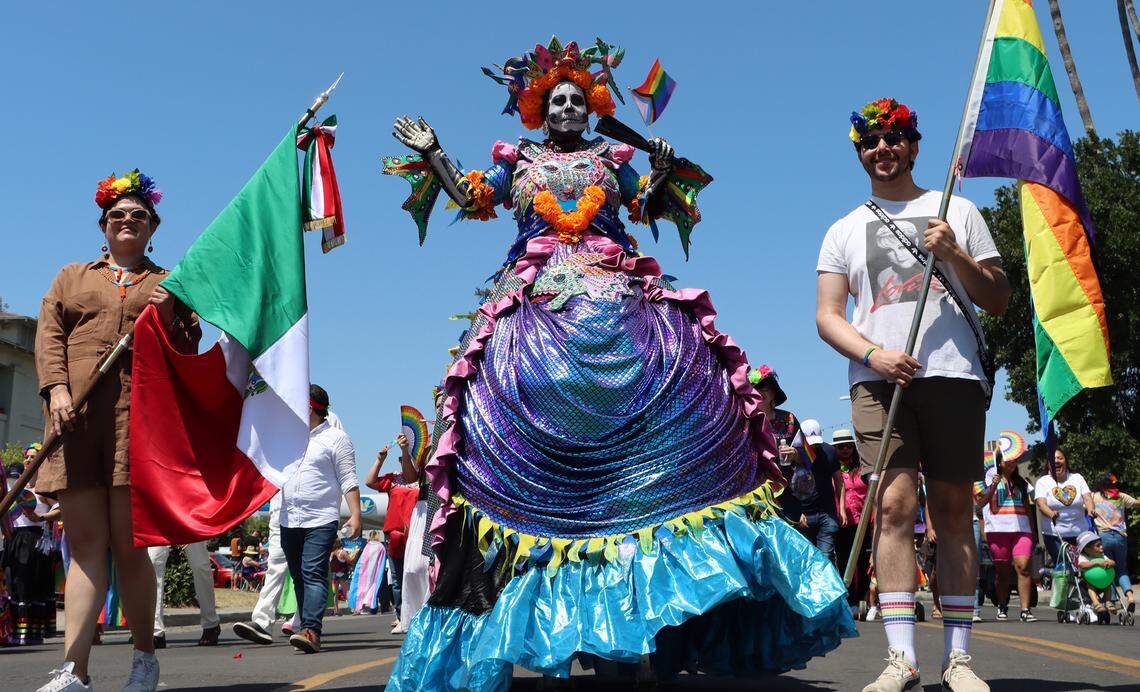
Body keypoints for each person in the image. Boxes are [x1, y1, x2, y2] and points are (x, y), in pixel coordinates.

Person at [382, 37, 854, 690]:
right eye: (559, 99)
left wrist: (658, 170)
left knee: (694, 377)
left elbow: (647, 205)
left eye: (579, 98)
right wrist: (434, 150)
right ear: (539, 110)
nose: (570, 106)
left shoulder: (612, 157)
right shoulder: (516, 159)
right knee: (481, 403)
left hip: (621, 290)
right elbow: (468, 197)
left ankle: (649, 593)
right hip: (533, 296)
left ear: (590, 107)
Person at [816, 98, 1010, 692]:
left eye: (894, 138)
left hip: (953, 375)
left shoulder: (959, 211)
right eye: (871, 141)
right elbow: (828, 316)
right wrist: (874, 354)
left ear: (914, 145)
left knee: (952, 512)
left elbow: (998, 297)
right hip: (879, 383)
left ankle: (959, 659)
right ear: (860, 152)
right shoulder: (843, 229)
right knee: (894, 511)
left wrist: (951, 251)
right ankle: (901, 657)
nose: (883, 149)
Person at [34, 170, 199, 692]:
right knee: (85, 548)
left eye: (138, 216)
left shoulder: (169, 283)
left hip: (137, 428)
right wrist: (57, 391)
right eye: (117, 216)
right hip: (75, 425)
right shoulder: (71, 277)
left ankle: (144, 660)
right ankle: (73, 671)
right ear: (103, 226)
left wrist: (171, 314)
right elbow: (49, 336)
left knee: (130, 549)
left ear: (153, 227)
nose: (127, 222)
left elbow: (189, 347)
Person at [277, 384, 362, 654]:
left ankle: (312, 630)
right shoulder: (288, 437)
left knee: (313, 572)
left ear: (312, 407)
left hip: (321, 519)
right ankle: (305, 624)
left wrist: (356, 515)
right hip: (289, 518)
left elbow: (349, 479)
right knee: (299, 576)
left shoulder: (337, 439)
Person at [231, 492, 300, 646]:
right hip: (280, 510)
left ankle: (304, 623)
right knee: (274, 566)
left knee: (306, 571)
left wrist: (355, 512)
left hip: (312, 511)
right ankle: (262, 623)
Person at [3, 464, 60, 646]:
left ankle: (31, 633)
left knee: (31, 584)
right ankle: (13, 632)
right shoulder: (12, 490)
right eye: (26, 459)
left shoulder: (41, 490)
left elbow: (61, 506)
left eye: (32, 459)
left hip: (33, 540)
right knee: (14, 583)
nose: (28, 462)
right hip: (14, 539)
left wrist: (42, 518)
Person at [977, 451, 1036, 622]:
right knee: (1002, 573)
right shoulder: (988, 481)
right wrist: (993, 486)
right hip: (997, 530)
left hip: (1022, 530)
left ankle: (1025, 609)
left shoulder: (1023, 483)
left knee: (1023, 567)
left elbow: (1028, 509)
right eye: (1008, 459)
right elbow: (980, 504)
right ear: (999, 462)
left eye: (1015, 460)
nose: (1012, 462)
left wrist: (1032, 532)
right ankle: (1002, 604)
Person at [146, 542, 220, 647]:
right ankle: (156, 631)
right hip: (161, 524)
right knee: (154, 561)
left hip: (192, 524)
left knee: (199, 564)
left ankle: (211, 623)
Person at [792, 419, 846, 563]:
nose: (813, 445)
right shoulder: (794, 454)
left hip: (827, 513)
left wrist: (842, 509)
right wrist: (796, 512)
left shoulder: (829, 451)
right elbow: (787, 486)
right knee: (807, 559)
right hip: (803, 515)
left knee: (825, 558)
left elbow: (839, 481)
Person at [1034, 448, 1094, 566]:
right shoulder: (1043, 482)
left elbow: (1087, 498)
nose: (1056, 461)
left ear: (1066, 461)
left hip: (1080, 533)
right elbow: (1041, 504)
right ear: (1048, 464)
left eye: (1060, 458)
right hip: (1055, 535)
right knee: (1065, 567)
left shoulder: (1077, 478)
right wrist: (1051, 513)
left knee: (1084, 566)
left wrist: (1091, 509)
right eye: (1053, 459)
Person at [833, 429, 872, 609]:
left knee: (863, 562)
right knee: (844, 560)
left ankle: (863, 599)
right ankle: (848, 599)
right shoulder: (831, 470)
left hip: (863, 523)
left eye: (849, 445)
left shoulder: (863, 469)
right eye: (841, 446)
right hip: (842, 524)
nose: (846, 449)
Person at [1091, 472, 1135, 614]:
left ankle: (1111, 601)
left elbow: (1084, 505)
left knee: (1108, 569)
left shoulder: (1094, 496)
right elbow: (1136, 504)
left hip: (1103, 537)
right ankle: (1130, 596)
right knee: (1121, 570)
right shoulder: (1121, 496)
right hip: (1121, 537)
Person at [1075, 531, 1116, 619]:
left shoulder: (1102, 556)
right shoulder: (1084, 557)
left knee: (1109, 584)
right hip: (1086, 583)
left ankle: (1108, 601)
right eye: (1098, 546)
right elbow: (1082, 565)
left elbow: (1113, 562)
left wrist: (1110, 563)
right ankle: (1096, 603)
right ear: (1087, 549)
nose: (1101, 547)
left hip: (1103, 582)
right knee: (1091, 585)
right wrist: (1096, 563)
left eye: (1101, 544)